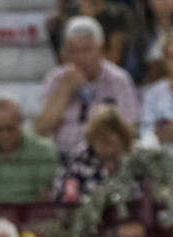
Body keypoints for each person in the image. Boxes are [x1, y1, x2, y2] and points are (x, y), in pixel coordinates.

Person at [35, 16, 141, 158]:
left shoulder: (119, 79)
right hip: (63, 157)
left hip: (105, 158)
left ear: (100, 49)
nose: (80, 57)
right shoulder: (56, 78)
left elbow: (131, 128)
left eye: (87, 50)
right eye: (73, 51)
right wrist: (64, 90)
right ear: (64, 52)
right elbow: (41, 129)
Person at [53, 104, 136, 202]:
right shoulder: (75, 162)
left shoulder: (136, 163)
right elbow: (62, 199)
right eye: (102, 137)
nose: (109, 137)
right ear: (92, 140)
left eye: (113, 138)